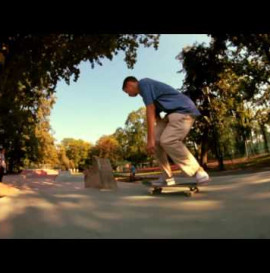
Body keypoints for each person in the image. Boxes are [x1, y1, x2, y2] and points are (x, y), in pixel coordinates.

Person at [122, 76, 210, 187]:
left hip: (183, 111)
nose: (129, 95)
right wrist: (153, 138)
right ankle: (167, 176)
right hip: (172, 114)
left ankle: (198, 171)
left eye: (127, 92)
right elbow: (156, 116)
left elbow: (150, 109)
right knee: (157, 139)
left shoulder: (143, 84)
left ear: (130, 84)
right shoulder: (149, 92)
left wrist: (151, 139)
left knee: (167, 140)